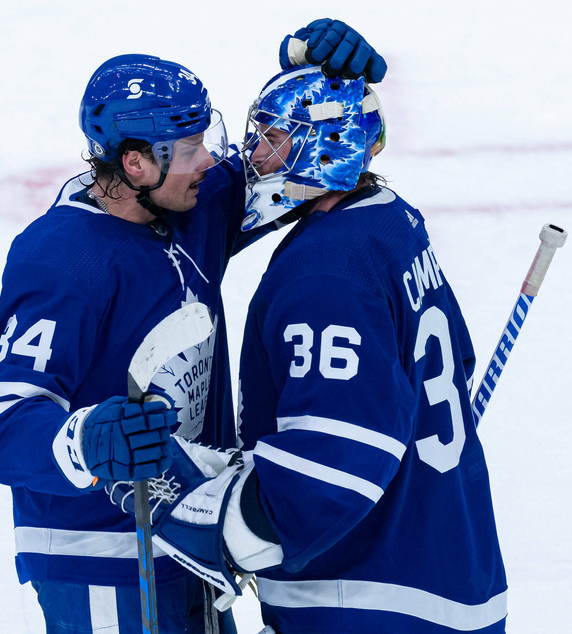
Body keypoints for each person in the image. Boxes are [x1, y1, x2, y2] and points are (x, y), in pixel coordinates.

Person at [0, 21, 386, 634]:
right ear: (135, 163)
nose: (212, 162)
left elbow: (297, 163)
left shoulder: (190, 205)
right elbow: (0, 426)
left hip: (192, 543)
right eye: (189, 150)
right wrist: (84, 440)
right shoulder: (61, 260)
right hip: (104, 566)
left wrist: (317, 82)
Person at [108, 64, 509, 633]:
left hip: (368, 599)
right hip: (447, 570)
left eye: (273, 137)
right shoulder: (391, 221)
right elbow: (443, 374)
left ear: (329, 142)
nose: (254, 154)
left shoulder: (326, 271)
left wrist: (225, 526)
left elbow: (333, 461)